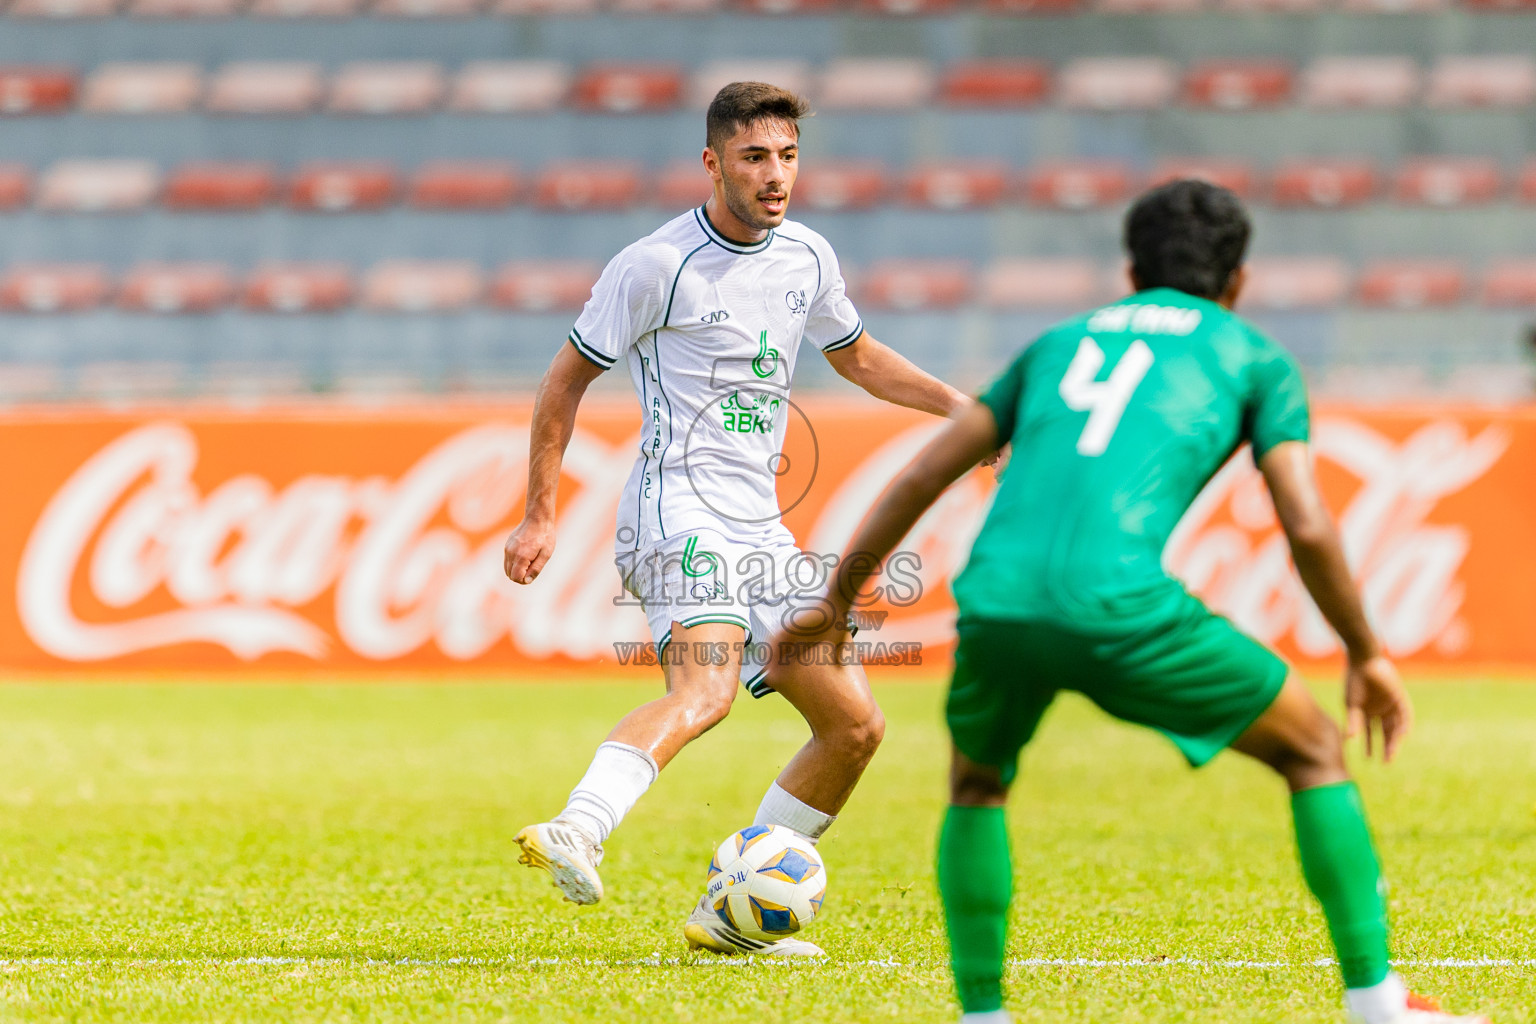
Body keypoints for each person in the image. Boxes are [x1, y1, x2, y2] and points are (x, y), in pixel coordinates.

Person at [781, 180, 1490, 1022]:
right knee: (1312, 751)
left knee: (977, 784)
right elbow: (1304, 519)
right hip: (1121, 602)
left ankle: (982, 1013)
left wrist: (833, 603)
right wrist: (1367, 651)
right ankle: (1377, 1003)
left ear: (1131, 268)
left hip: (997, 600)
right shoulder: (1253, 354)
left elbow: (925, 471)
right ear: (1238, 281)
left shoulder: (1057, 344)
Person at [503, 81, 974, 956]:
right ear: (713, 163)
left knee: (854, 726)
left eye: (788, 156)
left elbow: (860, 358)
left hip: (760, 531)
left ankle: (733, 916)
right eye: (756, 158)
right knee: (708, 689)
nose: (776, 175)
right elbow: (564, 380)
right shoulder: (653, 266)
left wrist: (964, 412)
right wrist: (540, 515)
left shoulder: (807, 257)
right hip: (675, 512)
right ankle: (579, 825)